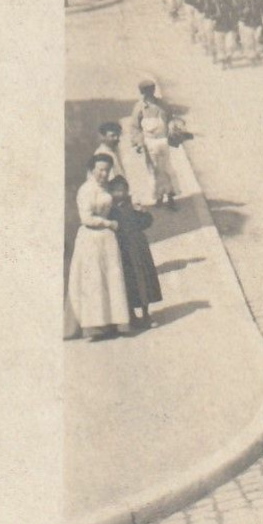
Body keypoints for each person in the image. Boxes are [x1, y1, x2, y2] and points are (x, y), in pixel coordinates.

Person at [65, 154, 131, 341]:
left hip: (107, 240)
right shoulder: (86, 190)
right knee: (94, 280)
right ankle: (95, 326)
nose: (103, 174)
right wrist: (108, 223)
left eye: (106, 170)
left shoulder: (107, 188)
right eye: (100, 169)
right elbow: (86, 218)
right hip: (91, 238)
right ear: (92, 169)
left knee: (110, 278)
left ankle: (113, 322)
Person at [107, 177, 160, 333]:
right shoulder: (110, 210)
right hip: (123, 250)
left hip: (138, 248)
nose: (119, 193)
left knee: (143, 280)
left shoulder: (133, 207)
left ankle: (145, 313)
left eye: (122, 189)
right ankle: (131, 315)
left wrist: (144, 213)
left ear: (127, 190)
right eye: (115, 190)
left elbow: (147, 222)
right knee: (127, 282)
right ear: (111, 192)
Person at [129, 78, 178, 209]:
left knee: (167, 169)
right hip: (149, 142)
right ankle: (159, 197)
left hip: (163, 141)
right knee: (154, 171)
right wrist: (138, 143)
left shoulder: (162, 105)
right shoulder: (139, 107)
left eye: (151, 90)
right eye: (145, 91)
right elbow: (135, 127)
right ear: (142, 92)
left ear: (154, 90)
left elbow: (170, 119)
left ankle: (171, 197)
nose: (149, 93)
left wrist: (173, 128)